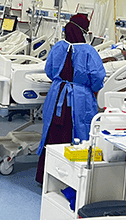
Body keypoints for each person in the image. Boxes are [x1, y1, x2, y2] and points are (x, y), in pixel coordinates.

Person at [36, 14, 106, 184]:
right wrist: (91, 89)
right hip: (80, 98)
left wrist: (60, 81)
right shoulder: (89, 51)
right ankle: (71, 180)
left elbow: (49, 70)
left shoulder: (58, 47)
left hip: (57, 95)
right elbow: (98, 77)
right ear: (82, 31)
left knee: (53, 133)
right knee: (77, 134)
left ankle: (46, 176)